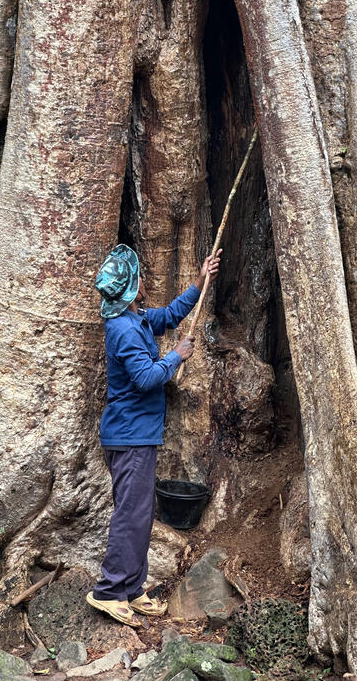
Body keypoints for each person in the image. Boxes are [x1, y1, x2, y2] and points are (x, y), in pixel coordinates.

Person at [86, 243, 221, 627]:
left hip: (138, 436)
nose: (145, 280)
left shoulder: (136, 318)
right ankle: (110, 591)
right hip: (129, 438)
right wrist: (176, 355)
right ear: (130, 287)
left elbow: (170, 314)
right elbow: (146, 378)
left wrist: (200, 280)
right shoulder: (124, 331)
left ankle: (131, 587)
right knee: (130, 515)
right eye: (139, 276)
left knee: (141, 515)